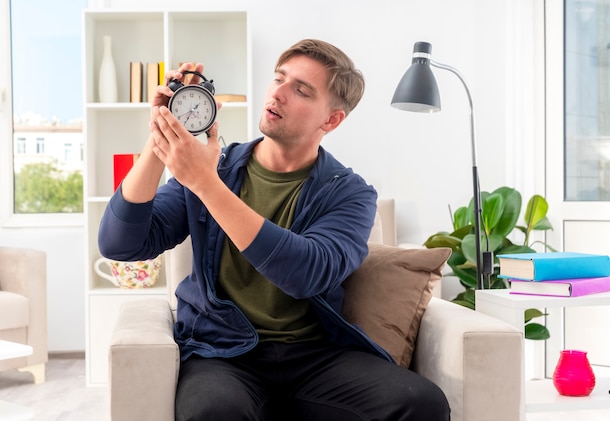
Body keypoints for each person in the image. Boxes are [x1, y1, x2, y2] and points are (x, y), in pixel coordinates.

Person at [98, 39, 450, 421]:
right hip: (222, 352)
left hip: (315, 356)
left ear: (331, 120)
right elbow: (120, 244)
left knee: (422, 402)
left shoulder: (350, 193)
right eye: (279, 79)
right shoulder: (215, 168)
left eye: (300, 90)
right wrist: (159, 138)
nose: (278, 93)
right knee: (213, 411)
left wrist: (206, 184)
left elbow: (306, 273)